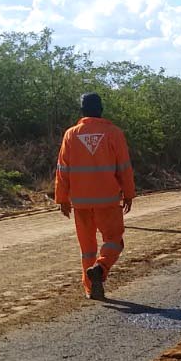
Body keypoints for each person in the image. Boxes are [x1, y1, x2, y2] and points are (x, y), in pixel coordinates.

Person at [55, 92, 135, 300]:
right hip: (107, 200)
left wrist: (62, 198)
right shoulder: (114, 133)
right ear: (101, 110)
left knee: (87, 249)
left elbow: (63, 169)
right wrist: (128, 193)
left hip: (80, 202)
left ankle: (91, 288)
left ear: (82, 111)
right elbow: (124, 167)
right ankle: (100, 267)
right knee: (114, 240)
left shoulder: (71, 134)